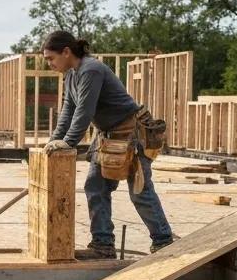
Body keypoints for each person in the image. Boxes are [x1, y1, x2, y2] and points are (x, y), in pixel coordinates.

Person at [41, 31, 174, 259]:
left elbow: (84, 112)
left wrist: (68, 142)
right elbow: (68, 111)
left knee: (140, 191)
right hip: (107, 136)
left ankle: (163, 242)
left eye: (51, 58)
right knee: (96, 187)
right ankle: (102, 245)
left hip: (132, 134)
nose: (50, 64)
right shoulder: (71, 75)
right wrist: (53, 142)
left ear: (66, 52)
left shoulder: (90, 70)